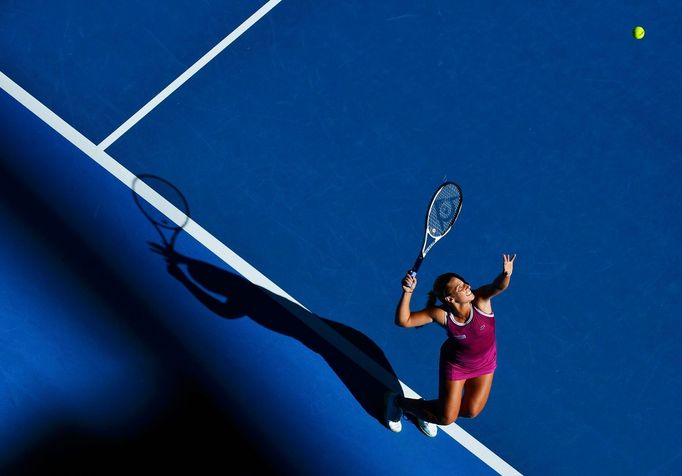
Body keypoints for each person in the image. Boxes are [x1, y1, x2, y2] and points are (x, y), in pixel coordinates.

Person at [384, 254, 516, 437]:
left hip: (485, 362)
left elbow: (498, 286)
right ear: (450, 299)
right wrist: (407, 292)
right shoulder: (441, 315)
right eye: (461, 287)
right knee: (446, 418)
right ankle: (399, 403)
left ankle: (427, 411)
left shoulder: (481, 300)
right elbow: (404, 321)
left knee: (471, 411)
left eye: (465, 283)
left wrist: (506, 274)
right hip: (457, 365)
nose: (468, 286)